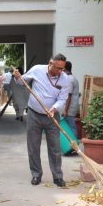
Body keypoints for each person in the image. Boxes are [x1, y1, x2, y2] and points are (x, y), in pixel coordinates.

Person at [13, 53, 70, 187]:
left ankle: (57, 176)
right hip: (34, 114)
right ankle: (36, 175)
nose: (60, 71)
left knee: (55, 147)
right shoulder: (37, 69)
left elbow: (63, 98)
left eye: (62, 68)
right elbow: (22, 82)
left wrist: (54, 108)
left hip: (52, 116)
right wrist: (17, 77)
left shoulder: (65, 78)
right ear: (50, 63)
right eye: (57, 68)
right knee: (33, 147)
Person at [62, 61, 79, 138]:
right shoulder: (73, 78)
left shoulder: (69, 79)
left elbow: (68, 96)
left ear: (64, 68)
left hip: (69, 108)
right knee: (70, 126)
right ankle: (72, 146)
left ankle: (74, 146)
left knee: (71, 127)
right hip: (72, 106)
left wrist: (65, 110)